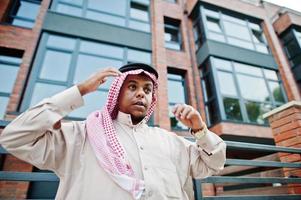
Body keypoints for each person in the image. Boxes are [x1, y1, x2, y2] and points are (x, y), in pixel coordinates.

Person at [0, 63, 226, 200]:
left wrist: (200, 129)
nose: (141, 94)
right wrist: (79, 90)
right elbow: (14, 137)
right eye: (132, 87)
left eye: (147, 90)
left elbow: (212, 164)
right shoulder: (81, 136)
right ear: (116, 94)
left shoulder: (169, 141)